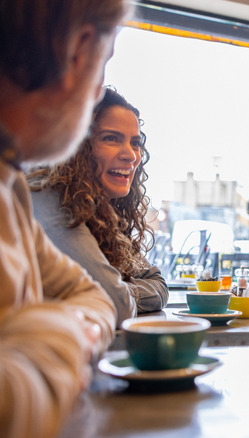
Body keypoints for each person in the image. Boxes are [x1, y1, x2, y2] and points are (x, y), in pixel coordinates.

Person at [0, 1, 131, 437]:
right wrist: (68, 334)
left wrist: (32, 337)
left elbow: (88, 294)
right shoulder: (35, 191)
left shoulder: (11, 187)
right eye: (103, 65)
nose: (96, 93)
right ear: (79, 50)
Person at [27, 88, 169, 325]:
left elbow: (156, 281)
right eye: (111, 138)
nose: (131, 156)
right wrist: (121, 291)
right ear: (76, 145)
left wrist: (122, 289)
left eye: (135, 143)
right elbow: (119, 304)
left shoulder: (100, 210)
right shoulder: (51, 199)